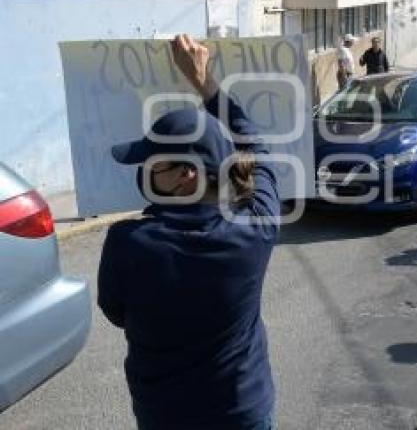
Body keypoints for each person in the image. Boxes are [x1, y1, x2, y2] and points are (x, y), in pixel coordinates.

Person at [98, 35, 281, 429]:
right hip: (243, 411)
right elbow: (257, 147)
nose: (143, 172)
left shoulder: (127, 242)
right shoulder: (256, 230)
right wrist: (204, 81)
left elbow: (116, 313)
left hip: (165, 417)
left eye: (153, 164)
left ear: (186, 175)